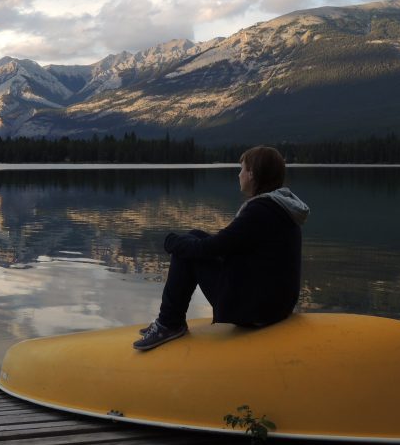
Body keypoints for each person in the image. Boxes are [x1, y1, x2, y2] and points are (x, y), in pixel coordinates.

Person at [133, 145, 310, 351]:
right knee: (194, 236)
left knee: (186, 250)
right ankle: (170, 321)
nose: (238, 174)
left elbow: (211, 248)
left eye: (242, 169)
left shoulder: (260, 212)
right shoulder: (280, 207)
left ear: (252, 174)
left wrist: (171, 243)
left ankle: (169, 323)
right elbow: (225, 245)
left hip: (258, 310)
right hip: (277, 305)